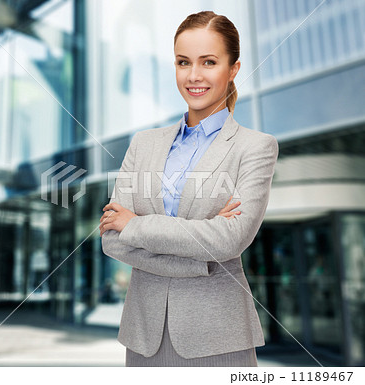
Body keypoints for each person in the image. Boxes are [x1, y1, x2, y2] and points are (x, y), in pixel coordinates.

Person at [99, 10, 279, 367]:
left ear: (233, 69)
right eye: (183, 62)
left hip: (217, 336)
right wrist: (203, 258)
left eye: (209, 62)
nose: (194, 76)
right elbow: (110, 238)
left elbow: (230, 240)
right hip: (143, 336)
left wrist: (135, 224)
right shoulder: (144, 143)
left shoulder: (255, 147)